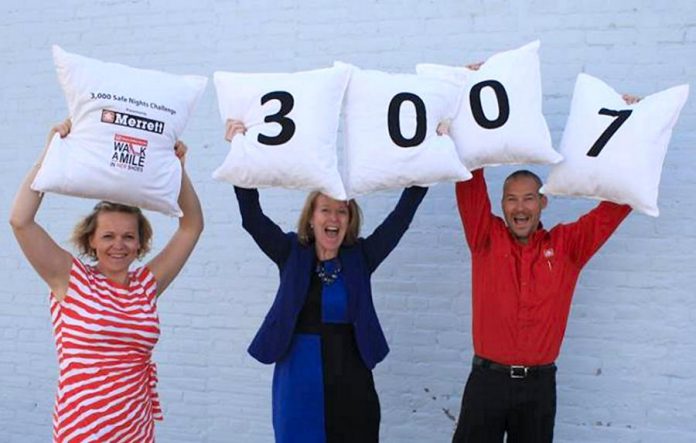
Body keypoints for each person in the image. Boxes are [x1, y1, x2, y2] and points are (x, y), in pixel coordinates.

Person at [449, 69, 639, 442]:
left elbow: (616, 204)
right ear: (501, 204)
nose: (520, 208)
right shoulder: (484, 237)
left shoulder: (569, 246)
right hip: (487, 383)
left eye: (529, 198)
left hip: (538, 389)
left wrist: (631, 129)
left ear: (543, 203)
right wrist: (467, 92)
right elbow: (469, 177)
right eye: (512, 199)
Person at [225, 120, 427, 442]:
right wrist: (240, 151)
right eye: (325, 210)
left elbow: (400, 219)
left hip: (352, 376)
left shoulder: (361, 257)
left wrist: (428, 158)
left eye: (342, 212)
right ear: (311, 217)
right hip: (298, 377)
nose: (333, 218)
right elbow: (252, 218)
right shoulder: (290, 252)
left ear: (350, 220)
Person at [9, 119, 204, 442]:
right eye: (108, 235)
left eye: (129, 236)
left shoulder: (145, 286)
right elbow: (20, 221)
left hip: (136, 428)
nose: (119, 244)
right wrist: (50, 155)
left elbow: (191, 227)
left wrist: (178, 170)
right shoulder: (70, 278)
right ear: (92, 241)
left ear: (140, 243)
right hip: (82, 430)